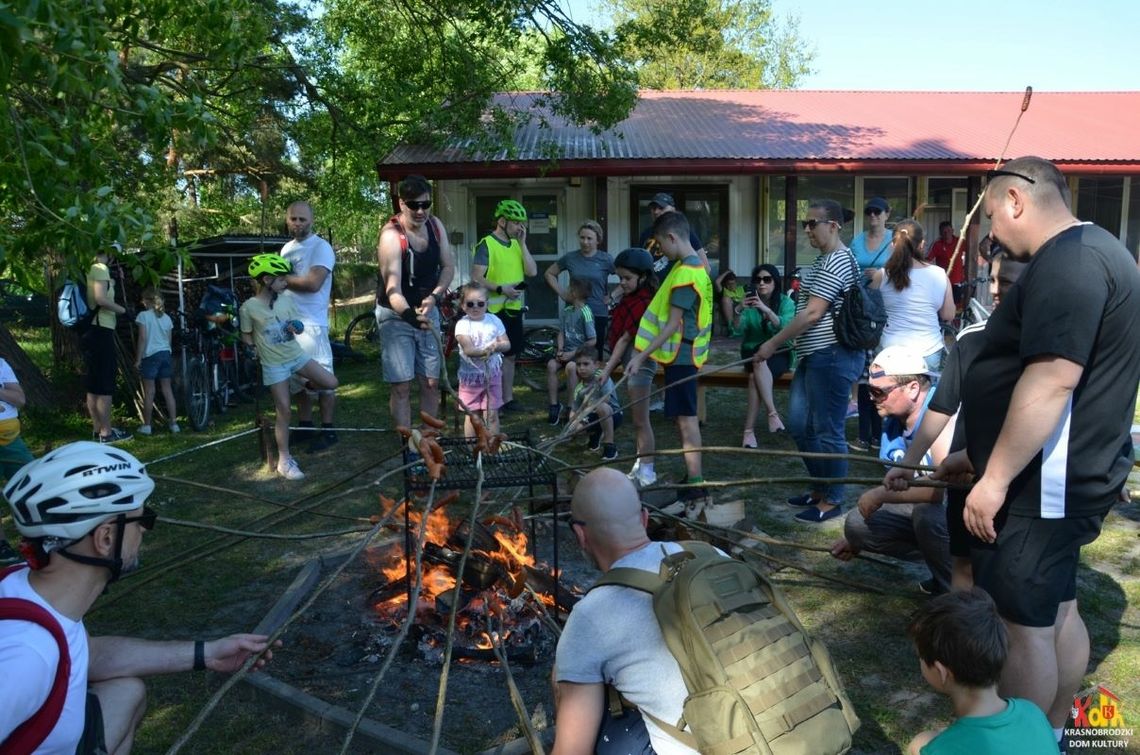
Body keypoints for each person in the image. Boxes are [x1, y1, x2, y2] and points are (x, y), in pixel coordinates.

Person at [932, 156, 1140, 747]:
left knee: (1021, 627)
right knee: (1058, 609)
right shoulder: (1095, 251)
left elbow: (1051, 379)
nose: (991, 231)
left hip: (1040, 488)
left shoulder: (1070, 263)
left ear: (1016, 200)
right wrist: (977, 457)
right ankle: (1048, 733)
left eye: (991, 214)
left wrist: (994, 480)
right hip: (1054, 478)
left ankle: (1019, 742)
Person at [0, 442, 280, 754]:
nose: (145, 530)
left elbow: (83, 655)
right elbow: (32, 664)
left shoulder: (24, 586)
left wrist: (208, 654)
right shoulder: (26, 655)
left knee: (127, 692)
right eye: (141, 518)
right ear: (105, 538)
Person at [882, 250, 1029, 593]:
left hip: (1020, 480)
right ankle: (965, 639)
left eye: (1006, 281)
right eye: (992, 280)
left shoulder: (1049, 344)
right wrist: (909, 460)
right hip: (965, 478)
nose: (995, 290)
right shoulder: (971, 339)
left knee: (1013, 575)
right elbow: (943, 406)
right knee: (964, 562)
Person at [552, 467, 697, 755]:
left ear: (580, 534)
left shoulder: (592, 615)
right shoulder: (705, 555)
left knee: (566, 675)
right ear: (644, 518)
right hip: (779, 732)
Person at [754, 199, 865, 523]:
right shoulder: (822, 261)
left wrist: (773, 344)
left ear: (834, 225)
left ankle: (833, 499)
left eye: (812, 222)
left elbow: (813, 313)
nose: (806, 229)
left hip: (833, 356)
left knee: (829, 431)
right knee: (801, 426)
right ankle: (820, 487)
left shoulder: (838, 261)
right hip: (812, 356)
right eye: (805, 223)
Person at [829, 346, 954, 595]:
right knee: (857, 523)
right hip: (933, 512)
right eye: (870, 390)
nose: (872, 398)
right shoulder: (894, 423)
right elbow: (903, 485)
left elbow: (939, 493)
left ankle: (958, 589)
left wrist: (880, 495)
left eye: (880, 391)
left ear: (913, 388)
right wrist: (856, 542)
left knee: (926, 515)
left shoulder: (942, 416)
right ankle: (942, 569)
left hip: (962, 516)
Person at [627, 211, 713, 512]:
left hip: (682, 357)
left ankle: (696, 482)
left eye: (661, 245)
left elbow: (671, 326)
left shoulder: (686, 275)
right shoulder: (688, 267)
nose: (660, 251)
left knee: (687, 420)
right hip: (683, 356)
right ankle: (692, 477)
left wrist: (640, 355)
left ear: (672, 237)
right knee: (683, 419)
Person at [906, 589, 1058, 755]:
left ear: (941, 672)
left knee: (918, 744)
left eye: (920, 656)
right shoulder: (1032, 712)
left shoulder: (941, 750)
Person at [239, 254, 338, 481]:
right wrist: (251, 348)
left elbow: (299, 327)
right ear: (266, 280)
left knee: (331, 382)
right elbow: (246, 335)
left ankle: (299, 381)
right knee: (283, 410)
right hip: (274, 365)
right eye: (282, 278)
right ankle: (285, 460)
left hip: (296, 356)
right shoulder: (249, 308)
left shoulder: (286, 300)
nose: (287, 282)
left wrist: (298, 326)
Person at [375, 175, 457, 429]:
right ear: (402, 204)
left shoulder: (435, 226)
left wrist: (435, 296)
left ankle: (428, 441)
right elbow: (392, 289)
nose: (421, 210)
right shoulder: (391, 236)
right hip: (396, 314)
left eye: (425, 204)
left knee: (431, 381)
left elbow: (448, 267)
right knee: (401, 385)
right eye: (414, 205)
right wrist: (411, 316)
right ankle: (407, 443)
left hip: (427, 309)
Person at [281, 200, 340, 451]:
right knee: (296, 381)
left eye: (302, 219)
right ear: (287, 220)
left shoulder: (321, 247)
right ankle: (305, 426)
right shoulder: (285, 250)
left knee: (323, 380)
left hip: (312, 325)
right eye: (293, 218)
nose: (297, 223)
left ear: (311, 220)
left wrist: (281, 279)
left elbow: (314, 283)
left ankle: (328, 430)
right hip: (288, 325)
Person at [600, 248, 660, 488]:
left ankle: (648, 469)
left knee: (641, 420)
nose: (622, 282)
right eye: (620, 278)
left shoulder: (644, 302)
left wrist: (606, 370)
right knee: (638, 419)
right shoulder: (630, 298)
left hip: (640, 365)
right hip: (629, 362)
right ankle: (640, 462)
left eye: (627, 278)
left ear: (643, 277)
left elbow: (625, 339)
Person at [471, 199, 537, 412]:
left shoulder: (517, 245)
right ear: (502, 221)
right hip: (491, 312)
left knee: (510, 356)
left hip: (513, 310)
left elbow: (532, 271)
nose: (520, 227)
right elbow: (477, 277)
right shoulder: (486, 244)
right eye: (516, 223)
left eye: (521, 223)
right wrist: (501, 289)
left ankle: (507, 400)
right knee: (490, 358)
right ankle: (491, 400)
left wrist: (523, 243)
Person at [872, 218, 955, 372]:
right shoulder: (939, 274)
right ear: (922, 244)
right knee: (924, 395)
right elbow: (948, 315)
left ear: (892, 245)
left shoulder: (881, 275)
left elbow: (870, 312)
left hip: (889, 350)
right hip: (928, 350)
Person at [849, 197, 896, 452]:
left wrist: (881, 275)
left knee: (883, 376)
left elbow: (902, 270)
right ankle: (865, 435)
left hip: (887, 312)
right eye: (869, 212)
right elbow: (849, 267)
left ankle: (881, 435)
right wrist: (863, 276)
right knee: (864, 374)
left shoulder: (895, 240)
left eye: (877, 212)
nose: (873, 216)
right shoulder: (857, 240)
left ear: (887, 213)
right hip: (863, 312)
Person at [737, 264, 794, 448]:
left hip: (779, 352)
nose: (762, 283)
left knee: (755, 375)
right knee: (758, 359)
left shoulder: (786, 302)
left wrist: (765, 309)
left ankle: (748, 432)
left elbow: (785, 327)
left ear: (775, 282)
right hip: (752, 352)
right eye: (758, 279)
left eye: (767, 279)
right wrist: (738, 309)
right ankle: (773, 415)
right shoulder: (748, 303)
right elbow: (737, 330)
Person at [84, 242, 131, 443]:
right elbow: (101, 299)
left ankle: (97, 430)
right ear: (110, 255)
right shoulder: (101, 269)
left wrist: (113, 279)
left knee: (94, 384)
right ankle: (107, 433)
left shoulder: (91, 269)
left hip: (91, 331)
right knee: (104, 383)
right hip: (101, 329)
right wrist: (124, 311)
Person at [544, 220, 614, 352]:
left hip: (598, 311)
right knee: (572, 352)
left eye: (589, 238)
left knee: (594, 355)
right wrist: (563, 294)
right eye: (582, 237)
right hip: (574, 312)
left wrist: (613, 296)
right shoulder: (570, 258)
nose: (585, 242)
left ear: (598, 240)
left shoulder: (606, 259)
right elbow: (549, 273)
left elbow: (626, 277)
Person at [452, 282, 510, 440]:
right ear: (463, 306)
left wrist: (497, 346)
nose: (475, 307)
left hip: (492, 375)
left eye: (480, 303)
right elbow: (469, 350)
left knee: (492, 414)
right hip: (470, 378)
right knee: (473, 416)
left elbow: (507, 344)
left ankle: (492, 447)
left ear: (487, 304)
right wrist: (487, 350)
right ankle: (473, 450)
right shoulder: (463, 324)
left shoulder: (494, 321)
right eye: (470, 304)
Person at [547, 278, 596, 425]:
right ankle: (554, 405)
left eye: (569, 288)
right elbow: (561, 332)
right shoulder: (567, 311)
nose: (566, 291)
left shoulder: (586, 312)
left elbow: (593, 340)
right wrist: (561, 349)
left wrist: (573, 353)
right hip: (566, 352)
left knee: (571, 367)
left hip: (579, 355)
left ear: (574, 293)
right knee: (551, 365)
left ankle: (571, 407)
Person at [0, 355, 33, 565]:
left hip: (10, 438)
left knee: (31, 483)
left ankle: (34, 536)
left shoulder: (1, 363)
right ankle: (2, 545)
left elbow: (20, 400)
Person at [133, 287, 179, 436]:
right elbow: (169, 341)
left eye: (143, 300)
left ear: (147, 301)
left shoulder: (143, 316)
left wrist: (138, 359)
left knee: (150, 392)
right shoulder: (166, 318)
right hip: (166, 354)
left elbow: (142, 339)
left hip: (150, 356)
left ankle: (147, 426)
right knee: (167, 389)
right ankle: (174, 423)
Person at [569, 347, 622, 461]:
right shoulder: (579, 388)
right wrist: (572, 424)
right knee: (576, 426)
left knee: (601, 407)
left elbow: (606, 399)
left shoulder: (602, 377)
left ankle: (609, 446)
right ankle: (595, 436)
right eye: (578, 365)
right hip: (592, 416)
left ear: (596, 364)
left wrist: (588, 404)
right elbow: (574, 409)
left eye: (586, 364)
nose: (581, 368)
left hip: (612, 415)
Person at [638, 192, 709, 275]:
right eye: (653, 208)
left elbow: (705, 267)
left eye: (661, 207)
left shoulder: (683, 232)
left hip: (676, 285)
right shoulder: (645, 234)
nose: (656, 212)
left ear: (673, 209)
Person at [928, 221, 966, 306]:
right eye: (944, 232)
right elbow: (927, 260)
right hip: (943, 282)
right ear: (940, 233)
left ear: (952, 230)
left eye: (948, 231)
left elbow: (972, 252)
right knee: (943, 306)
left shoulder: (960, 242)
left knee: (957, 307)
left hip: (957, 281)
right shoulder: (937, 244)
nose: (946, 234)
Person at [713, 269, 744, 336]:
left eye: (732, 283)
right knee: (725, 299)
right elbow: (717, 282)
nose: (730, 286)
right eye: (728, 284)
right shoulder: (724, 290)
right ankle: (731, 328)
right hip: (730, 310)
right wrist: (728, 271)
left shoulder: (742, 288)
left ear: (736, 282)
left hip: (741, 308)